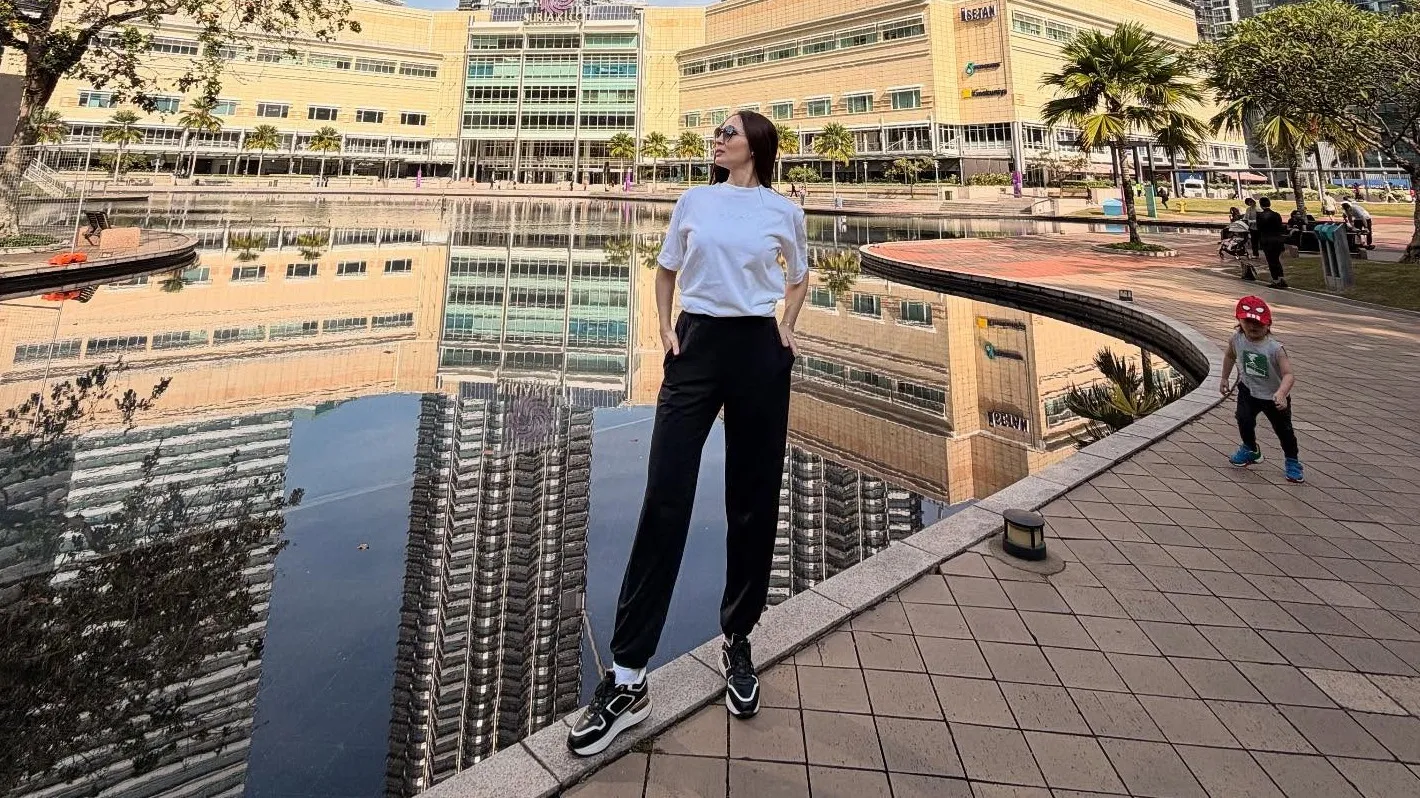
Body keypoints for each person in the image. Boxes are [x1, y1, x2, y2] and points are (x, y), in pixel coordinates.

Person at [566, 110, 809, 757]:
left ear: (756, 145)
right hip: (695, 348)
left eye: (729, 131)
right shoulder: (693, 200)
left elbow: (799, 275)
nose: (718, 138)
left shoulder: (784, 211)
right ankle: (628, 677)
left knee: (752, 499)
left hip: (757, 351)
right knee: (665, 496)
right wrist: (664, 326)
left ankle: (738, 639)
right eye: (718, 132)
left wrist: (787, 325)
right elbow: (665, 270)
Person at [1220, 296, 1303, 484]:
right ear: (1239, 321)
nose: (1253, 326)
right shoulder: (1236, 340)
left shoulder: (1274, 349)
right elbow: (1230, 356)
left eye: (1258, 322)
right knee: (1243, 419)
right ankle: (1250, 449)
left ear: (1268, 324)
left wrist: (1281, 393)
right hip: (1248, 390)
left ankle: (1292, 461)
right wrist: (1225, 377)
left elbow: (1289, 374)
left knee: (1284, 430)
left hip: (1273, 396)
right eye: (1248, 321)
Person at [1254, 197, 1288, 288]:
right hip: (1278, 239)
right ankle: (1281, 278)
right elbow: (1280, 226)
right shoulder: (1276, 214)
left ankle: (1275, 280)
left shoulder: (1260, 215)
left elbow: (1259, 228)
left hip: (1267, 240)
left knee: (1271, 261)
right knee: (1276, 260)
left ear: (1261, 205)